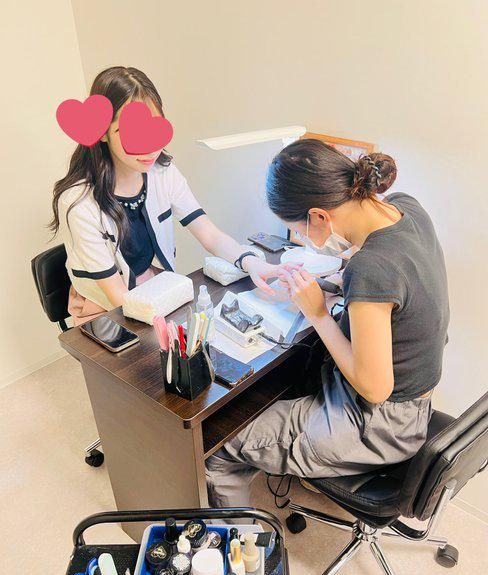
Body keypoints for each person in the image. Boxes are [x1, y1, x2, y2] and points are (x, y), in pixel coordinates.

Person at [206, 138, 450, 507]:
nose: (304, 239)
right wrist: (337, 279)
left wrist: (317, 312)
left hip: (379, 425)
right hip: (412, 405)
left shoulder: (371, 269)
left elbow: (375, 389)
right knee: (287, 377)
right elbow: (392, 274)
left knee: (219, 445)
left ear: (319, 216)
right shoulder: (406, 208)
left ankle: (243, 539)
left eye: (300, 231)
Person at [50, 66, 291, 325]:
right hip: (103, 311)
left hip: (152, 288)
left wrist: (252, 263)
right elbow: (117, 297)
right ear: (103, 133)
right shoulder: (79, 204)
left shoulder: (162, 172)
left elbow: (209, 234)